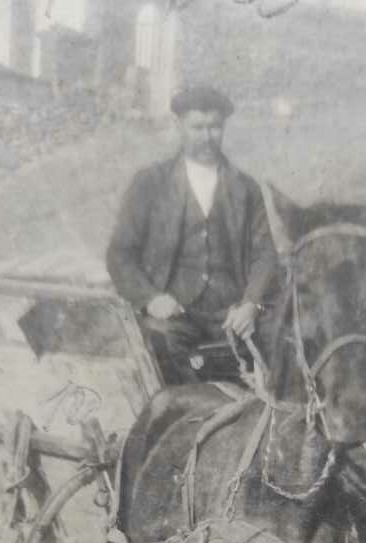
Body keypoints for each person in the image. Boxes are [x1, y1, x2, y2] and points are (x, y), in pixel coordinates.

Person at [106, 84, 279, 385]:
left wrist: (251, 304)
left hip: (230, 313)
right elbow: (120, 254)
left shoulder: (245, 188)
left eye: (215, 127)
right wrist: (150, 299)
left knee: (282, 340)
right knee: (159, 339)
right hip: (175, 315)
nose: (207, 137)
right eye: (197, 127)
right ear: (179, 127)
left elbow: (264, 253)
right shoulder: (150, 184)